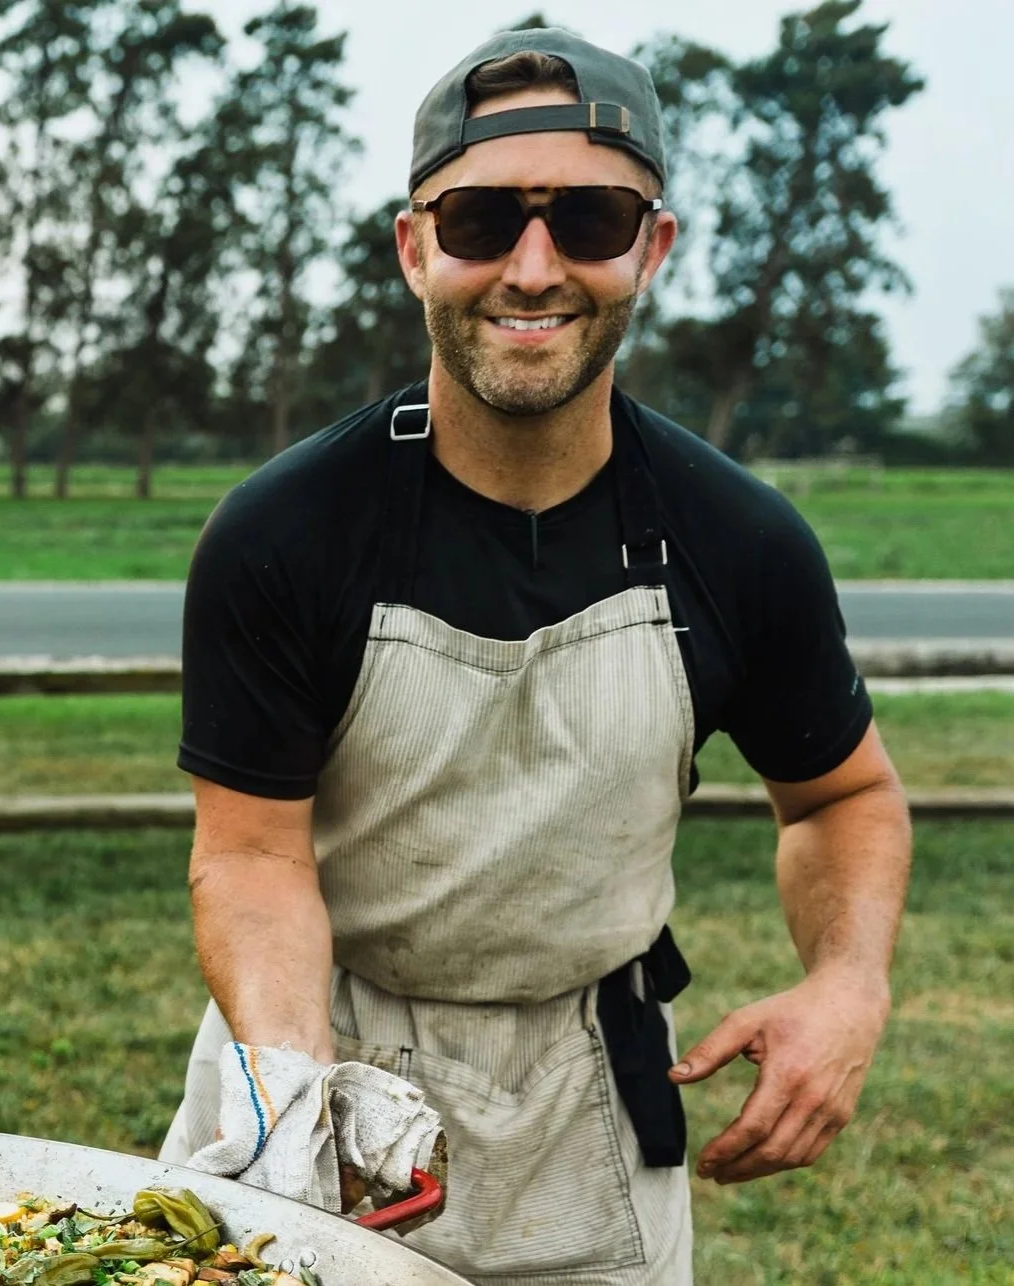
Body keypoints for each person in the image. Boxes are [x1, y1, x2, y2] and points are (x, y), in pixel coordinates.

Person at [157, 27, 912, 1286]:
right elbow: (248, 853)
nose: (530, 266)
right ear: (413, 248)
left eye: (588, 218)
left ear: (650, 248)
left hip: (591, 1093)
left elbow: (841, 795)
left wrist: (847, 982)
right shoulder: (283, 532)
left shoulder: (739, 539)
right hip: (322, 1049)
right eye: (480, 221)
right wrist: (291, 1095)